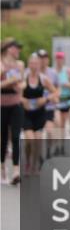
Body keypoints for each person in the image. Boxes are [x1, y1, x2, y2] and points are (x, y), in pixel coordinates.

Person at [20, 53, 54, 177]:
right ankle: (28, 162)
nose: (34, 66)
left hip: (39, 113)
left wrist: (45, 99)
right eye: (32, 63)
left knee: (38, 141)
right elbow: (17, 94)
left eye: (36, 63)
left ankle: (35, 166)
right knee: (30, 140)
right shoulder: (23, 78)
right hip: (26, 114)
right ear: (28, 65)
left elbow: (56, 92)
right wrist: (23, 100)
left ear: (39, 65)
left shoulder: (44, 79)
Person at [1, 38, 25, 185]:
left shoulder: (20, 64)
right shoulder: (1, 63)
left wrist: (20, 86)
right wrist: (9, 81)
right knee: (2, 137)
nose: (19, 51)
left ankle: (16, 170)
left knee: (16, 136)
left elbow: (22, 82)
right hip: (2, 104)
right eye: (17, 48)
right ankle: (2, 167)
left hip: (16, 103)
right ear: (9, 49)